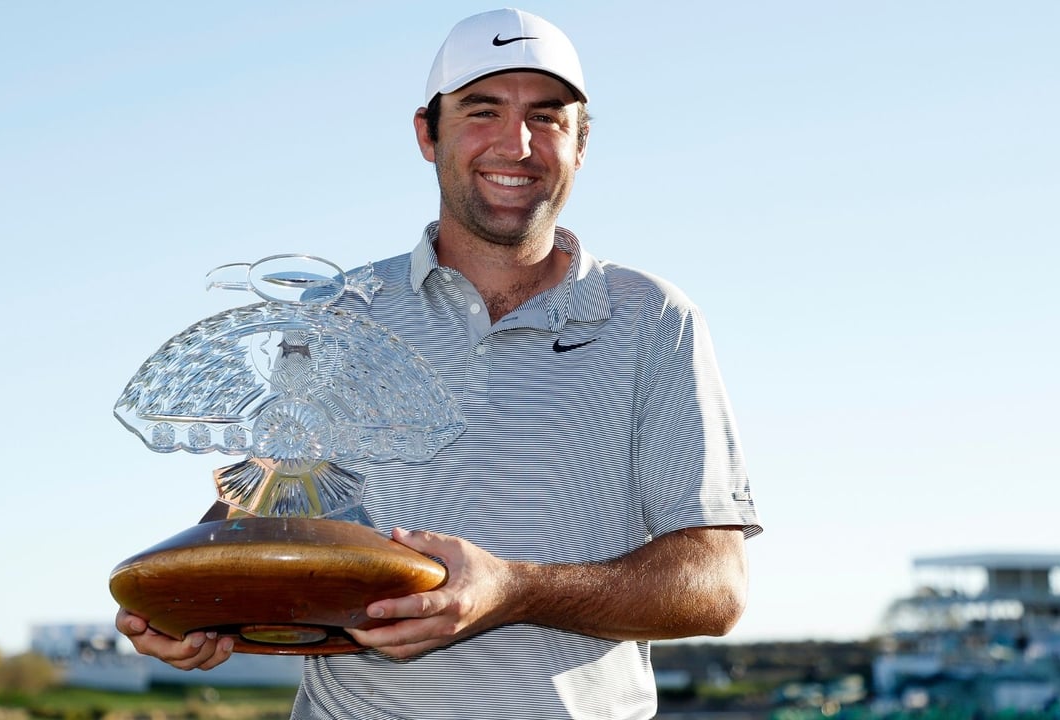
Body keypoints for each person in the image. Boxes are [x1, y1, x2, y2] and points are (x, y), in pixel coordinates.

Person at [116, 8, 762, 719]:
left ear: (582, 143)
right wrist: (189, 607)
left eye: (547, 117)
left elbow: (714, 587)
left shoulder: (653, 319)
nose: (515, 145)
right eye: (482, 111)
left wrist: (514, 590)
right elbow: (268, 512)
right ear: (428, 133)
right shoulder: (337, 315)